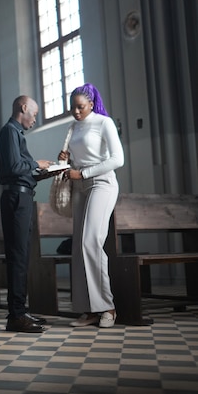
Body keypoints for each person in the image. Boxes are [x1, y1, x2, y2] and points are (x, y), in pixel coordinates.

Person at [59, 83, 124, 328]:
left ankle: (108, 307)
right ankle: (88, 309)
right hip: (80, 187)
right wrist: (66, 160)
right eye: (73, 108)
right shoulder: (73, 126)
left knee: (91, 242)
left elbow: (118, 159)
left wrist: (83, 172)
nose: (76, 112)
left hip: (102, 184)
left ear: (92, 104)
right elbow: (77, 159)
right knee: (78, 247)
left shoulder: (104, 123)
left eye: (80, 107)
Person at [0, 95, 52, 333]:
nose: (35, 119)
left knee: (22, 257)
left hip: (23, 198)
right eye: (35, 114)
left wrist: (42, 172)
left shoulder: (16, 134)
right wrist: (36, 164)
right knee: (17, 257)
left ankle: (20, 310)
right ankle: (16, 315)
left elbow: (20, 169)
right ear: (24, 107)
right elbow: (11, 168)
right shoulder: (10, 131)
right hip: (16, 199)